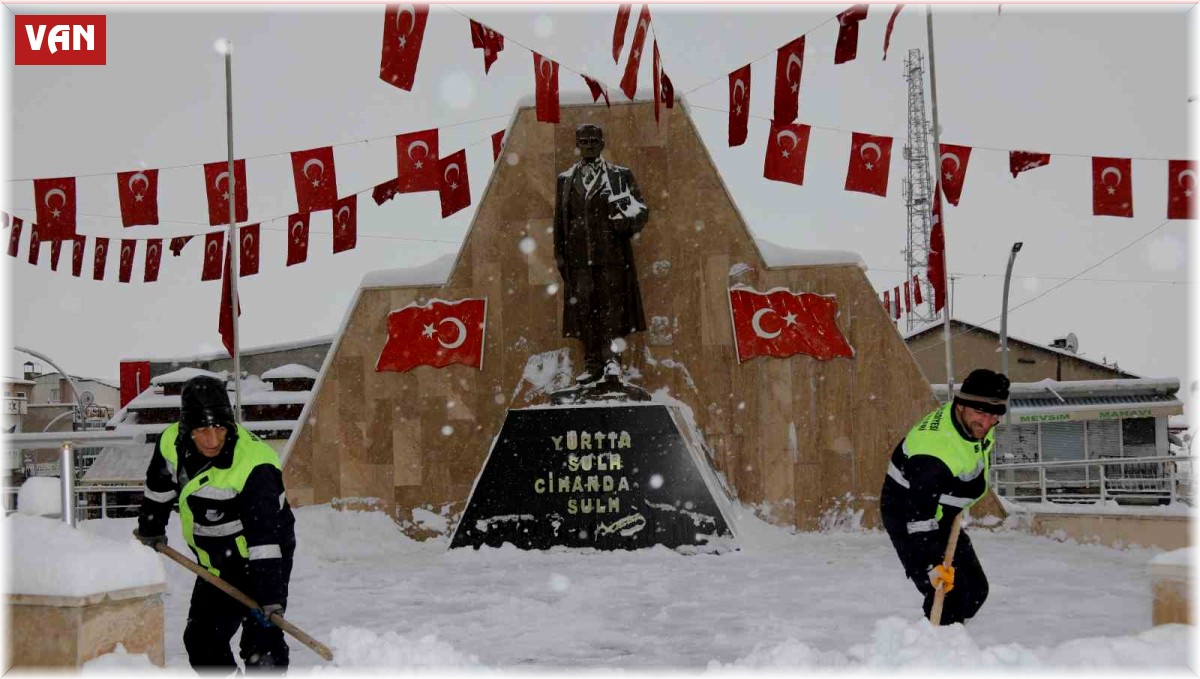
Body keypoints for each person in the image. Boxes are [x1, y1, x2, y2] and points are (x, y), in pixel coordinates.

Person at [134, 375, 296, 672]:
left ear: (230, 425)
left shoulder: (254, 465)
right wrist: (151, 527)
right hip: (216, 562)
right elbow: (158, 488)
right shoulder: (172, 441)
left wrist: (270, 598)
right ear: (187, 429)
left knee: (262, 648)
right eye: (202, 430)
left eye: (219, 428)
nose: (212, 440)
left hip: (262, 556)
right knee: (202, 639)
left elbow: (264, 540)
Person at [879, 368, 1010, 625]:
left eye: (994, 415)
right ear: (960, 405)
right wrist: (931, 565)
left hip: (941, 508)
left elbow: (970, 454)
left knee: (975, 591)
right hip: (909, 514)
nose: (986, 423)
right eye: (980, 414)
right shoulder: (933, 455)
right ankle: (936, 647)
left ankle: (955, 634)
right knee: (947, 594)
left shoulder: (974, 423)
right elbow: (918, 519)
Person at [553, 123, 650, 383]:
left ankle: (612, 362)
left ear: (602, 143)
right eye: (583, 141)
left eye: (593, 141)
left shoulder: (619, 175)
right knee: (585, 311)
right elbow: (560, 223)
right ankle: (593, 362)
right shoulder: (565, 180)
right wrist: (561, 258)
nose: (588, 145)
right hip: (578, 261)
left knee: (612, 311)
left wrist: (624, 220)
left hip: (611, 259)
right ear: (577, 144)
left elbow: (641, 211)